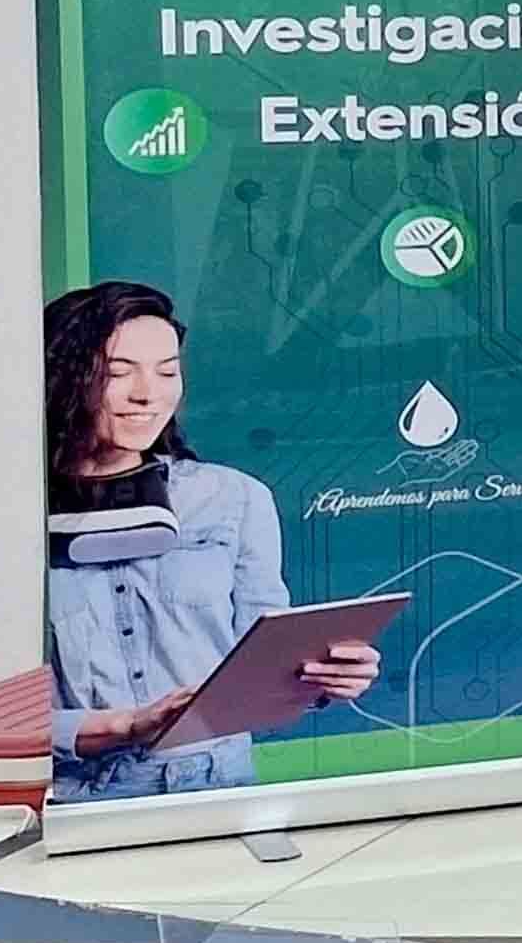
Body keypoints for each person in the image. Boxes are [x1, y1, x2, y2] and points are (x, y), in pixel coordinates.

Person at [42, 279, 374, 801]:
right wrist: (121, 726)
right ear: (64, 378)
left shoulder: (234, 499)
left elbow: (263, 665)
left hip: (219, 785)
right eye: (117, 372)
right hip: (75, 794)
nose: (147, 394)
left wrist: (322, 677)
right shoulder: (5, 520)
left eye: (167, 371)